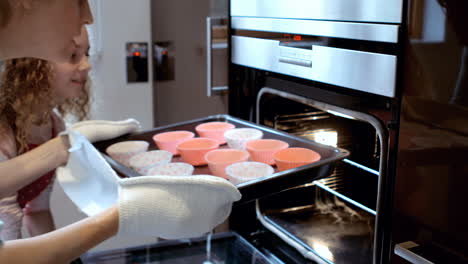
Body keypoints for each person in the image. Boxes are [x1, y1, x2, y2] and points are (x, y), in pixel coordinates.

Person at [0, 1, 241, 263]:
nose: (89, 17)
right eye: (80, 1)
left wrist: (63, 146)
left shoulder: (54, 123)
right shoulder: (6, 129)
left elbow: (35, 212)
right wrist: (126, 214)